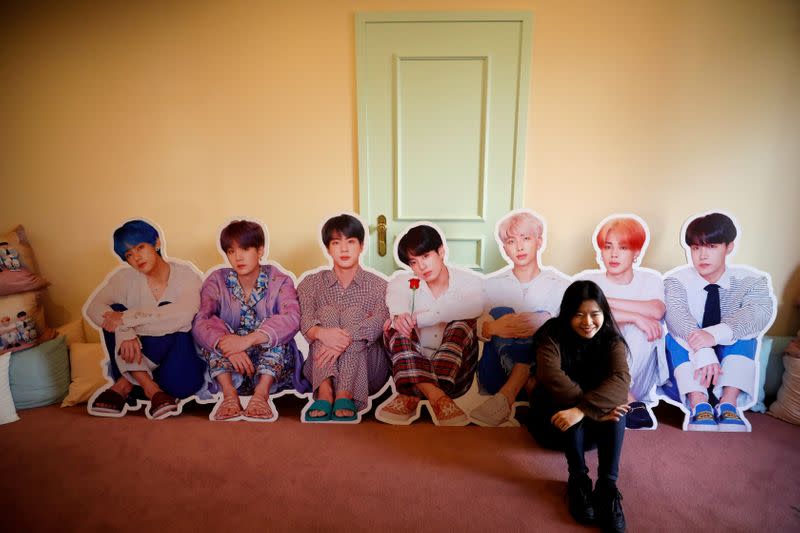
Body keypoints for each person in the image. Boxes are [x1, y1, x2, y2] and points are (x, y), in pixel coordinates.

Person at [526, 280, 630, 532]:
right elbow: (550, 375)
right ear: (567, 314)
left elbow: (621, 380)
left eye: (595, 314)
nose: (587, 322)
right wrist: (584, 409)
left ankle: (607, 488)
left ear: (603, 314)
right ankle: (579, 481)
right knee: (567, 402)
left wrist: (582, 410)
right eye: (579, 314)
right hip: (553, 425)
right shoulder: (551, 333)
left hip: (594, 428)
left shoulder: (611, 340)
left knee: (617, 411)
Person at [664, 212, 774, 431]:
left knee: (746, 335)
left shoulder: (750, 281)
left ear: (729, 247)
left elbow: (758, 313)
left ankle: (728, 404)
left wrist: (714, 334)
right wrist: (703, 349)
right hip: (687, 369)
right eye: (696, 248)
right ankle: (698, 405)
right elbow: (676, 316)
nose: (702, 255)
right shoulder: (676, 281)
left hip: (729, 368)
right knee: (672, 336)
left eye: (712, 246)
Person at [84, 220, 206, 419]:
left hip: (178, 375)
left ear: (156, 243)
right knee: (113, 310)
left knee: (169, 313)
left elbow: (184, 314)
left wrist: (126, 320)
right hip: (142, 377)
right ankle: (151, 389)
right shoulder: (124, 279)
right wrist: (126, 331)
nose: (136, 257)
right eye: (128, 254)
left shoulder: (186, 276)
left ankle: (124, 385)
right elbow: (94, 308)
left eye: (140, 247)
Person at [192, 220, 309, 421]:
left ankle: (261, 396)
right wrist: (228, 344)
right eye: (231, 251)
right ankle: (229, 396)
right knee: (214, 334)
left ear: (260, 250)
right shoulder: (217, 280)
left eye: (245, 248)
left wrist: (250, 339)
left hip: (272, 370)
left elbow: (291, 318)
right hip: (229, 367)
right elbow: (202, 319)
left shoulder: (279, 280)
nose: (238, 257)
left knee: (276, 335)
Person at [472, 209, 570, 426]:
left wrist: (546, 322)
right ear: (504, 248)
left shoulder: (561, 285)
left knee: (546, 319)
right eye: (511, 241)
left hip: (544, 375)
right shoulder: (490, 285)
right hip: (497, 373)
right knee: (501, 312)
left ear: (539, 241)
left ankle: (508, 396)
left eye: (526, 238)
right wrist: (492, 328)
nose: (519, 246)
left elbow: (575, 332)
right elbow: (475, 326)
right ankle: (521, 381)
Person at [379, 223, 484, 426]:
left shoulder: (469, 282)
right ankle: (438, 398)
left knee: (462, 323)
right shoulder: (400, 283)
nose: (422, 267)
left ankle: (412, 394)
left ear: (441, 251)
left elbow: (474, 307)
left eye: (426, 256)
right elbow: (397, 306)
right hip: (409, 364)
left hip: (454, 373)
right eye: (414, 262)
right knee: (395, 326)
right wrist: (400, 318)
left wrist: (420, 318)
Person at [298, 214, 391, 422]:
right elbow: (305, 323)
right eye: (336, 243)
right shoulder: (310, 283)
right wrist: (323, 333)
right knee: (326, 314)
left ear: (361, 246)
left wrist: (342, 339)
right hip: (319, 368)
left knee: (353, 314)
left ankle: (345, 393)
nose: (344, 249)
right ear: (328, 248)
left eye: (351, 242)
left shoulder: (379, 285)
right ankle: (325, 391)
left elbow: (378, 323)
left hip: (368, 369)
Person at [579, 216, 665, 429]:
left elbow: (656, 310)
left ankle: (619, 395)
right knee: (589, 328)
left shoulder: (650, 280)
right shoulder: (587, 280)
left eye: (623, 247)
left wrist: (600, 301)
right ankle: (629, 400)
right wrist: (634, 315)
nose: (614, 254)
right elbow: (580, 315)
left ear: (636, 252)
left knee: (646, 327)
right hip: (594, 368)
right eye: (608, 247)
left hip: (635, 373)